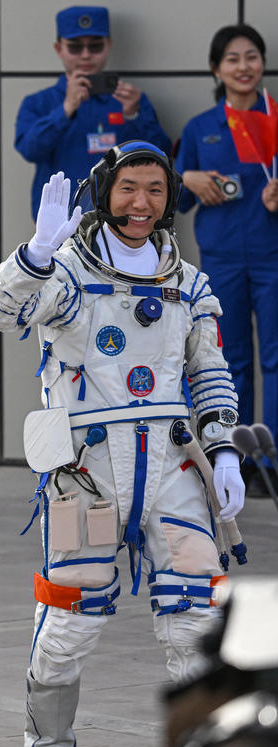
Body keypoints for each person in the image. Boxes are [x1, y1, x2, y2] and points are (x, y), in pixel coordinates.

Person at [0, 141, 246, 747]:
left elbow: (209, 373)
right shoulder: (69, 274)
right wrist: (37, 253)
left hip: (173, 466)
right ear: (105, 193)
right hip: (87, 474)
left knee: (196, 621)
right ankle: (48, 743)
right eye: (129, 188)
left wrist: (224, 450)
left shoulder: (188, 285)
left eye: (155, 190)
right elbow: (4, 311)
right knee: (68, 628)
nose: (141, 204)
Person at [174, 24, 278, 495]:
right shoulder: (200, 129)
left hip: (273, 255)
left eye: (251, 56)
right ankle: (234, 458)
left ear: (262, 63)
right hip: (222, 259)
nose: (243, 66)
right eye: (232, 58)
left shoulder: (277, 119)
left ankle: (271, 462)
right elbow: (175, 202)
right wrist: (187, 177)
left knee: (276, 359)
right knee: (228, 361)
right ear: (217, 69)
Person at [15, 5, 171, 219]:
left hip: (122, 221)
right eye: (75, 47)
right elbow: (29, 150)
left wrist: (134, 115)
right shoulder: (39, 102)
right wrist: (65, 110)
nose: (86, 55)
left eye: (95, 47)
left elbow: (162, 155)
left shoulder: (129, 99)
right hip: (60, 222)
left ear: (109, 46)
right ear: (59, 48)